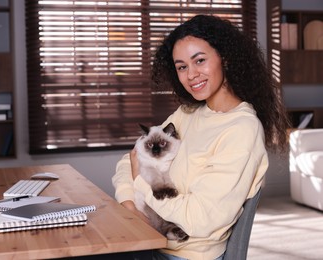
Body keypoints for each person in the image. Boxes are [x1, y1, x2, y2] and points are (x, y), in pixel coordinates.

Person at [112, 15, 290, 260]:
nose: (192, 74)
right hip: (148, 238)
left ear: (224, 58)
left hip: (182, 254)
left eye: (200, 60)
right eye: (182, 67)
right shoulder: (188, 114)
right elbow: (130, 159)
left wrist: (140, 183)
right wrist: (130, 206)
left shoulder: (242, 129)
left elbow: (200, 218)